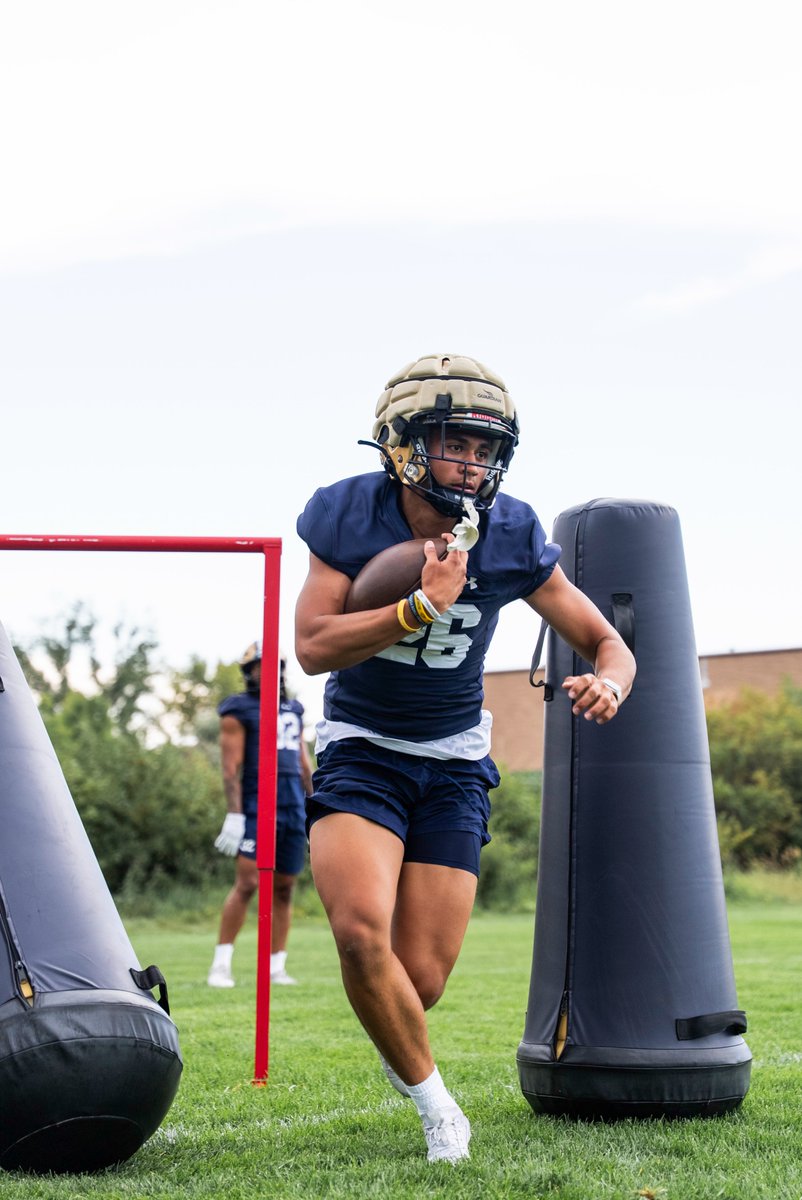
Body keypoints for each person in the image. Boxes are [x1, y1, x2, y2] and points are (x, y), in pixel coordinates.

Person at [294, 353, 636, 1164]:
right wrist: (417, 607)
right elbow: (311, 648)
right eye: (456, 443)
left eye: (487, 449)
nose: (473, 463)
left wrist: (612, 685)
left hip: (452, 760)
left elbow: (606, 641)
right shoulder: (346, 514)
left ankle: (401, 1040)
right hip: (363, 748)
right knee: (357, 934)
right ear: (402, 444)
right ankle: (440, 1111)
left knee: (421, 981)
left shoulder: (511, 528)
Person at [207, 645, 313, 989]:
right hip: (257, 805)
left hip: (293, 806)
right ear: (249, 671)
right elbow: (228, 768)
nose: (269, 673)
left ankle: (276, 966)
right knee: (248, 883)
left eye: (275, 666)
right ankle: (221, 964)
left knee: (284, 888)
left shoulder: (293, 708)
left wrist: (315, 806)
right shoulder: (238, 709)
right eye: (261, 667)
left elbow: (302, 762)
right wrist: (235, 815)